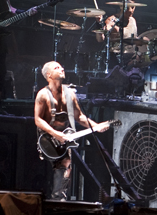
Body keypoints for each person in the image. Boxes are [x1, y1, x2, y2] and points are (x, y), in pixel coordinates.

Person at [34, 61, 110, 201]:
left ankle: (59, 199)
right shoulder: (42, 94)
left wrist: (96, 126)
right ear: (48, 75)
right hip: (48, 138)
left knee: (65, 166)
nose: (61, 69)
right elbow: (38, 119)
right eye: (57, 68)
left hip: (65, 138)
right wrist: (55, 133)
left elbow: (79, 116)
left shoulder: (70, 94)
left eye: (61, 66)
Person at [97, 0, 143, 67]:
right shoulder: (112, 20)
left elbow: (133, 38)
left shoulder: (133, 20)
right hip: (116, 57)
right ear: (121, 6)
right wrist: (100, 24)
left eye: (133, 7)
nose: (131, 10)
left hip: (131, 56)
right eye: (128, 7)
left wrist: (143, 41)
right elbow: (100, 39)